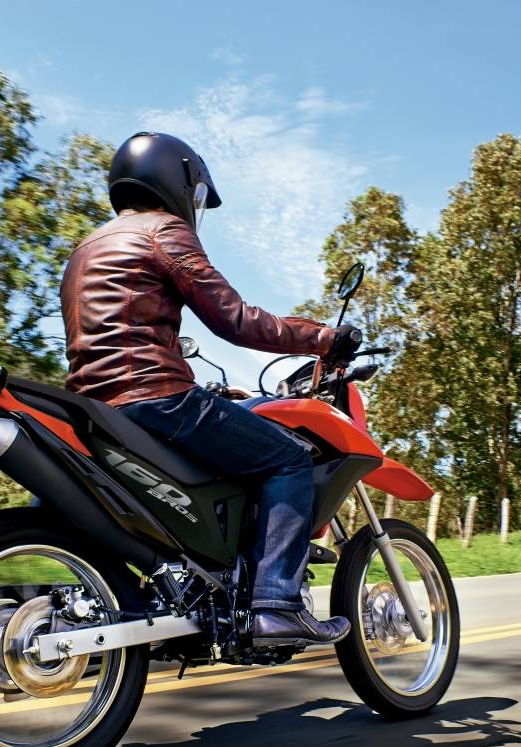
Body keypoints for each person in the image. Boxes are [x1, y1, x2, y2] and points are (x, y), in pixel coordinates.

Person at [59, 131, 357, 646]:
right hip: (156, 398)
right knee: (288, 459)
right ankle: (275, 604)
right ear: (176, 180)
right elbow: (236, 320)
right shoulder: (163, 231)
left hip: (95, 406)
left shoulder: (85, 248)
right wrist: (323, 338)